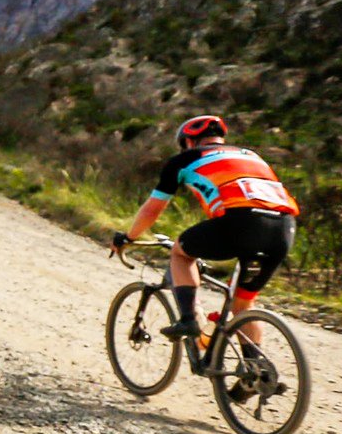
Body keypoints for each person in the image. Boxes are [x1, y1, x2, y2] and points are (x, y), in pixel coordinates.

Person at [110, 114, 298, 354]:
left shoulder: (184, 159)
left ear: (189, 142)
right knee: (242, 303)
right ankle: (255, 372)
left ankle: (189, 319)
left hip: (240, 221)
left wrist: (129, 237)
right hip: (283, 228)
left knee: (181, 252)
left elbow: (153, 209)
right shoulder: (251, 155)